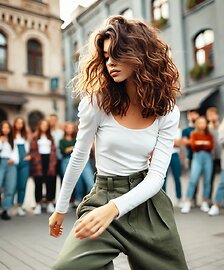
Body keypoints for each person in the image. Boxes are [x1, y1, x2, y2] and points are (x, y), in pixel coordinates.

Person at [49, 16, 188, 270]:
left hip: (148, 206)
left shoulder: (167, 111)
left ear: (140, 53)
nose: (110, 62)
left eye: (116, 54)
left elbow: (157, 177)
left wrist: (115, 208)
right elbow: (79, 156)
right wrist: (60, 209)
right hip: (103, 197)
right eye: (105, 56)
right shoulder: (97, 102)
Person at [181, 117, 213, 213]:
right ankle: (187, 202)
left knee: (207, 181)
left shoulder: (209, 135)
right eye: (200, 123)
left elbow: (210, 146)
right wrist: (204, 143)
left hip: (208, 158)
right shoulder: (193, 134)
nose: (202, 125)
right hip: (197, 158)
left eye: (204, 123)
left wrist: (200, 144)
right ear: (197, 124)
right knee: (193, 180)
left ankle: (204, 202)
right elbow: (194, 146)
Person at [206, 107, 224, 208]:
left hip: (222, 156)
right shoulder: (207, 128)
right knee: (210, 179)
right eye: (210, 115)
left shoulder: (223, 127)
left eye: (214, 114)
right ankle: (208, 199)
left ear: (217, 115)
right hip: (211, 157)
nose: (212, 117)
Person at [29, 119, 58, 215]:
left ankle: (50, 202)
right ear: (39, 126)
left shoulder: (51, 137)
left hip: (49, 161)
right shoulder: (35, 136)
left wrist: (53, 163)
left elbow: (54, 151)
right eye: (42, 125)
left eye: (46, 125)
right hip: (38, 161)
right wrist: (34, 161)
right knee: (38, 182)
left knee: (50, 182)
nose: (44, 126)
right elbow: (32, 151)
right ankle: (38, 204)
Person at [0, 121, 19, 220]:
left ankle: (5, 210)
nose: (6, 129)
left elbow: (16, 154)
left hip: (11, 164)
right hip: (0, 164)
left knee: (10, 188)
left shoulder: (13, 140)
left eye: (7, 128)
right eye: (4, 128)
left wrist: (13, 160)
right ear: (1, 129)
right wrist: (0, 141)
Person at [12, 117, 31, 216]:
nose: (19, 125)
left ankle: (20, 206)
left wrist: (29, 156)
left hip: (24, 163)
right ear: (14, 124)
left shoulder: (25, 135)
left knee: (22, 185)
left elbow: (30, 148)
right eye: (18, 123)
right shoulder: (11, 135)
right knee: (13, 185)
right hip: (14, 163)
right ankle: (9, 206)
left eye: (21, 123)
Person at [181, 109, 200, 206]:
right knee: (193, 179)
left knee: (206, 180)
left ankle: (203, 200)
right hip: (191, 157)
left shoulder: (200, 129)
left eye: (195, 113)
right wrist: (199, 142)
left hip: (202, 156)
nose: (193, 116)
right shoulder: (185, 130)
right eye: (191, 114)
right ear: (188, 115)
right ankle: (191, 199)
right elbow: (186, 142)